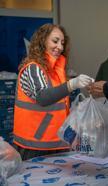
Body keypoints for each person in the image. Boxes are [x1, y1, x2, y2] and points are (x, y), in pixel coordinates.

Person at [13, 23, 93, 160]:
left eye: (62, 43)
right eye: (55, 41)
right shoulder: (33, 68)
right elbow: (43, 97)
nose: (60, 47)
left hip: (58, 142)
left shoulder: (57, 71)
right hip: (35, 145)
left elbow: (59, 107)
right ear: (42, 41)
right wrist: (72, 84)